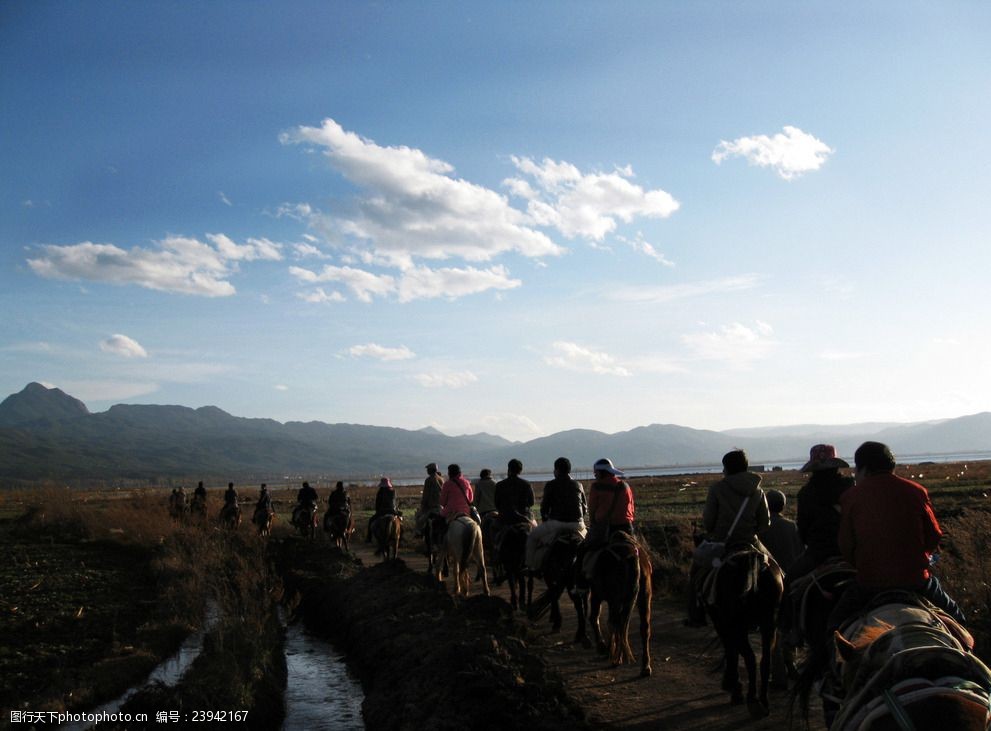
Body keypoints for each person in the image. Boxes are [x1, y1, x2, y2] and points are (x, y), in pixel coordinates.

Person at [828, 441, 966, 628]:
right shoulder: (917, 491)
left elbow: (846, 544)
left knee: (835, 625)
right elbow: (934, 535)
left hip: (870, 583)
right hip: (916, 580)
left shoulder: (851, 497)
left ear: (864, 469)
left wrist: (863, 564)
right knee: (958, 621)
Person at [685, 450, 770, 626]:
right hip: (750, 542)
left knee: (696, 573)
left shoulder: (717, 489)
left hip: (723, 543)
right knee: (777, 571)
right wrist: (750, 531)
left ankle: (696, 614)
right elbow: (765, 523)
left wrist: (716, 532)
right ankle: (783, 612)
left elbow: (708, 522)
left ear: (727, 468)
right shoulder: (758, 491)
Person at [574, 458, 634, 594]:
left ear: (601, 473)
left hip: (606, 530)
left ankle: (581, 585)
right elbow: (631, 509)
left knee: (582, 550)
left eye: (596, 473)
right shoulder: (625, 486)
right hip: (627, 528)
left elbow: (593, 509)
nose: (595, 476)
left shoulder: (597, 486)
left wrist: (595, 525)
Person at [525, 457, 587, 575]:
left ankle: (531, 566)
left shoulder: (551, 485)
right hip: (577, 525)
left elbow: (544, 508)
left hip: (556, 525)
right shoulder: (578, 485)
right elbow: (585, 508)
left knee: (532, 537)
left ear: (557, 470)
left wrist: (545, 521)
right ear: (569, 470)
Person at [759, 489, 802, 573]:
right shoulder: (791, 526)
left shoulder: (760, 526)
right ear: (783, 505)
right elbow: (800, 553)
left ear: (766, 504)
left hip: (766, 573)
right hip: (789, 574)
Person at [494, 459, 535, 536]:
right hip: (524, 517)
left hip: (505, 518)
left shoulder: (500, 485)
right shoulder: (526, 484)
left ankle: (495, 546)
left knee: (493, 529)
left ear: (509, 469)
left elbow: (497, 504)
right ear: (520, 471)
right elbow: (531, 503)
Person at [416, 463, 445, 536]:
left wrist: (423, 505)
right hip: (441, 507)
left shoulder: (428, 480)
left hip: (432, 507)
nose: (427, 471)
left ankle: (418, 532)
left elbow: (425, 495)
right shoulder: (441, 479)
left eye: (428, 469)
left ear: (431, 470)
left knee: (419, 519)